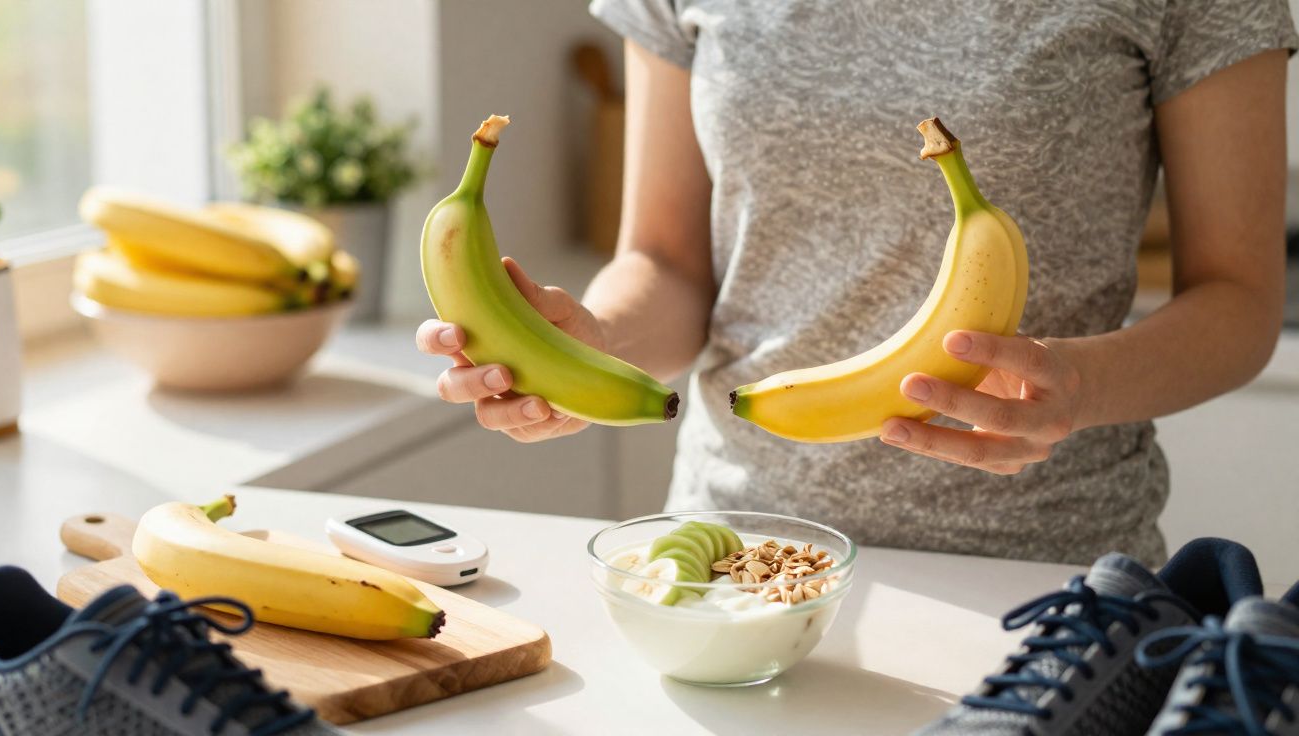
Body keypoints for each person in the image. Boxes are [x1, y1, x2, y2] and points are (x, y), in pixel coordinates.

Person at [418, 1, 1297, 565]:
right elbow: (670, 261)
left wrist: (1081, 386)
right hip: (736, 551)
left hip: (1044, 575)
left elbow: (1238, 299)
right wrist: (591, 347)